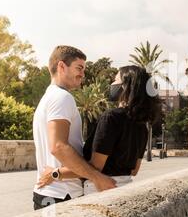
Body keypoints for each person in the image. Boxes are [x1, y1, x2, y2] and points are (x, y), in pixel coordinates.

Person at [37, 65, 161, 195]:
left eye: (115, 80)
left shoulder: (111, 118)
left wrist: (56, 173)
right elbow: (134, 170)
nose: (112, 84)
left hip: (102, 189)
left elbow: (95, 168)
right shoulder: (142, 126)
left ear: (124, 86)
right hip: (126, 188)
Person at [32, 46, 117, 210]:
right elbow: (59, 147)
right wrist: (97, 178)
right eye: (79, 68)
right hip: (62, 196)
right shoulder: (62, 97)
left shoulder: (48, 97)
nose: (83, 74)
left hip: (50, 193)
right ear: (61, 66)